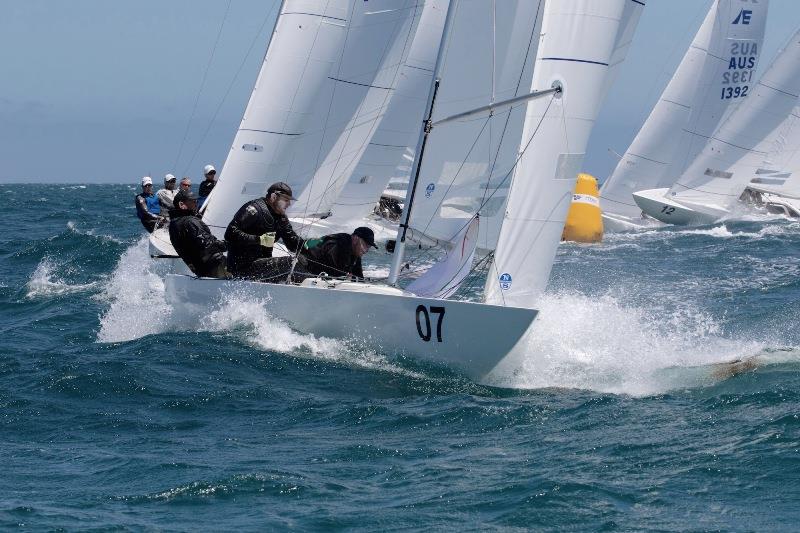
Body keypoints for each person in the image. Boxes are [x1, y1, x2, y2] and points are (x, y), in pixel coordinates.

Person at [224, 182, 304, 281]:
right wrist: (260, 239)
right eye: (286, 200)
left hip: (262, 266)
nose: (289, 204)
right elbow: (230, 233)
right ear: (273, 197)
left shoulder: (281, 218)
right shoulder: (254, 209)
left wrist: (313, 244)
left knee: (302, 261)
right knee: (289, 263)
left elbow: (293, 243)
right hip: (242, 267)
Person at [168, 189, 228, 278]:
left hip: (200, 270)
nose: (196, 203)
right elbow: (207, 245)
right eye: (193, 201)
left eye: (196, 201)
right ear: (182, 205)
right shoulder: (190, 222)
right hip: (214, 267)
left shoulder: (173, 224)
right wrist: (228, 244)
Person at [297, 226, 377, 280]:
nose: (366, 250)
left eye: (368, 247)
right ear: (355, 239)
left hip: (314, 279)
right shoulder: (336, 245)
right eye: (365, 245)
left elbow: (359, 278)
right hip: (298, 269)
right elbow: (333, 277)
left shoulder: (356, 252)